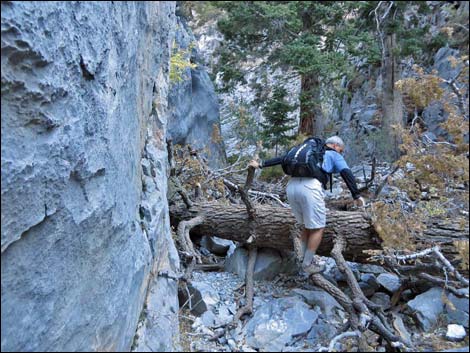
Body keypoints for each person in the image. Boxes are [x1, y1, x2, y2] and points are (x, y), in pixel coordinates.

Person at [249, 136, 365, 274]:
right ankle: (307, 264)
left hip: (291, 186)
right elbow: (346, 173)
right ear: (334, 145)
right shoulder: (333, 154)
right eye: (340, 150)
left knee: (306, 225)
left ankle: (301, 259)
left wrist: (261, 164)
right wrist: (356, 195)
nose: (340, 153)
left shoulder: (306, 150)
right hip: (310, 187)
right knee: (318, 228)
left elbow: (283, 158)